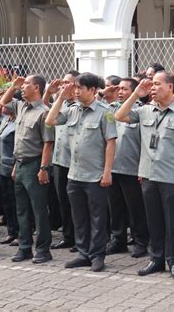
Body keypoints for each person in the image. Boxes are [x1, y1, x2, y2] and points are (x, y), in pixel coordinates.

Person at [115, 71, 174, 280]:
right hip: (148, 176)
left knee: (172, 223)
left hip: (171, 177)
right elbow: (119, 116)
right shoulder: (144, 111)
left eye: (157, 84)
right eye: (151, 84)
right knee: (154, 221)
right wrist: (136, 94)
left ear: (170, 87)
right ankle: (157, 259)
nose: (153, 87)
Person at [46, 72, 117, 272]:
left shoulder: (105, 112)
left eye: (80, 88)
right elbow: (50, 121)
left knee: (97, 217)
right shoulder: (72, 110)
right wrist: (60, 97)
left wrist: (107, 172)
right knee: (79, 217)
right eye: (75, 88)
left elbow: (110, 143)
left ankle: (97, 255)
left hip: (95, 175)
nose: (76, 92)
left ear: (93, 90)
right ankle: (83, 253)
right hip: (74, 174)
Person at [0, 75, 55, 264]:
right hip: (20, 164)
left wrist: (44, 168)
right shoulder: (21, 106)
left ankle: (43, 250)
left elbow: (48, 143)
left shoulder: (44, 112)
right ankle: (24, 248)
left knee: (39, 211)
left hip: (35, 164)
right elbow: (2, 102)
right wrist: (13, 86)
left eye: (26, 85)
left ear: (37, 87)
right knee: (21, 210)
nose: (22, 88)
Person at [106, 77, 149, 258]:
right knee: (115, 208)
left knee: (136, 209)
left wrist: (142, 168)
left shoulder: (141, 111)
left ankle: (141, 242)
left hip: (132, 169)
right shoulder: (111, 109)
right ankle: (118, 240)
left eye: (125, 89)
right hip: (113, 167)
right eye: (119, 89)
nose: (121, 92)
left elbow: (146, 142)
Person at [49, 70, 79, 251]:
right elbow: (46, 116)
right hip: (59, 159)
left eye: (67, 83)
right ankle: (68, 236)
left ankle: (79, 237)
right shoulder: (59, 103)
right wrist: (51, 94)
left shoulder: (79, 106)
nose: (63, 86)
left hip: (74, 161)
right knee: (63, 202)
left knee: (75, 203)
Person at [0, 102, 18, 245]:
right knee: (7, 202)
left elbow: (18, 146)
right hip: (2, 165)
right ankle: (11, 232)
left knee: (16, 203)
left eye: (6, 104)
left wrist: (15, 165)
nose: (2, 106)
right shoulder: (6, 119)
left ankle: (20, 233)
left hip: (12, 166)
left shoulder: (18, 122)